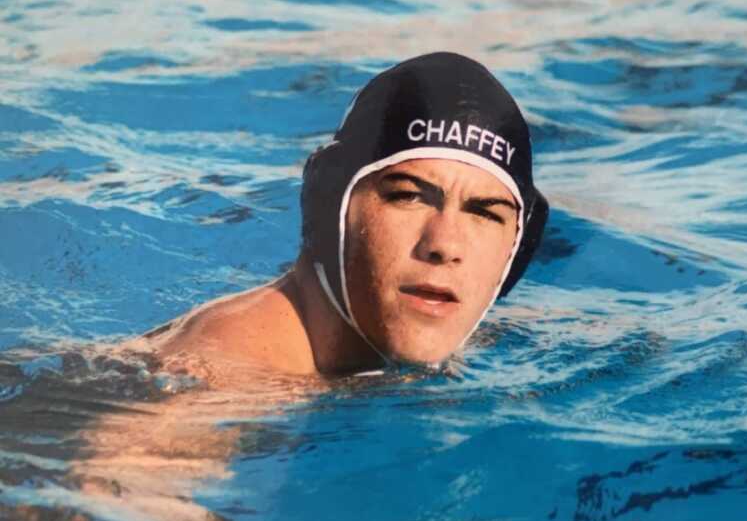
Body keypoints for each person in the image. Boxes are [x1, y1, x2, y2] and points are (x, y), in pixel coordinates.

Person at [143, 52, 548, 379]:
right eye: (408, 197)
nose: (444, 245)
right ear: (329, 204)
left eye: (485, 213)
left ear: (517, 250)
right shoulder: (220, 382)